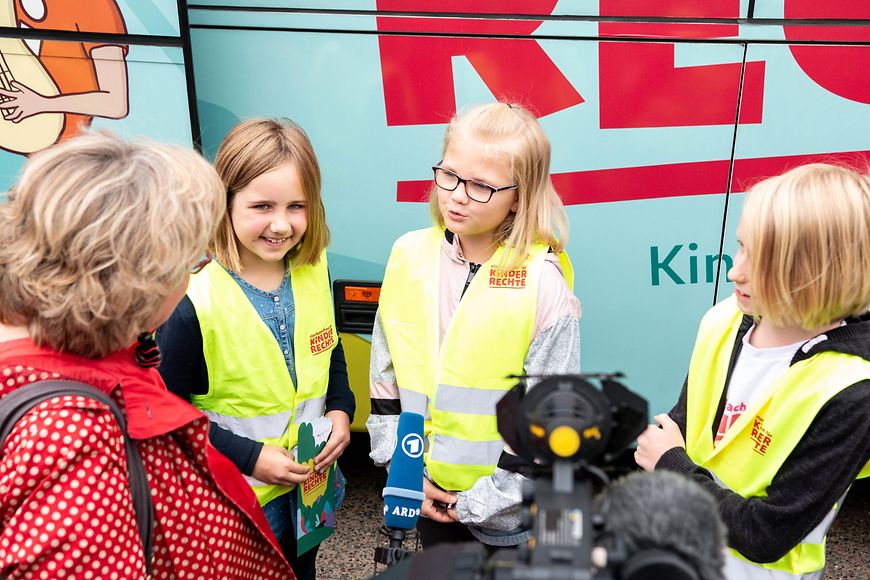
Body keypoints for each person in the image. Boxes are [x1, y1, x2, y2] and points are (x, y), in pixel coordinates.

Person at [0, 132, 293, 578]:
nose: (196, 273)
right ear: (138, 282)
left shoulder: (105, 356)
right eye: (191, 261)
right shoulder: (70, 435)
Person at [635, 163, 870, 580]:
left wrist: (672, 466)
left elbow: (766, 535)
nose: (734, 271)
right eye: (741, 246)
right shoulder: (724, 319)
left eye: (761, 261)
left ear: (819, 274)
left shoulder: (852, 390)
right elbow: (687, 425)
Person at [367, 102, 582, 549]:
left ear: (520, 196)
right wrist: (401, 468)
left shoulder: (543, 283)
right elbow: (385, 375)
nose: (458, 195)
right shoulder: (408, 255)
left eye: (481, 186)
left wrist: (479, 503)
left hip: (506, 519)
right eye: (449, 175)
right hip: (425, 489)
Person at [156, 118, 355, 579]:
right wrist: (250, 457)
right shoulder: (192, 303)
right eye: (261, 206)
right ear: (223, 203)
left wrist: (342, 411)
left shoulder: (312, 269)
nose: (281, 224)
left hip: (311, 489)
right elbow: (165, 417)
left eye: (296, 206)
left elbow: (330, 350)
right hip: (238, 501)